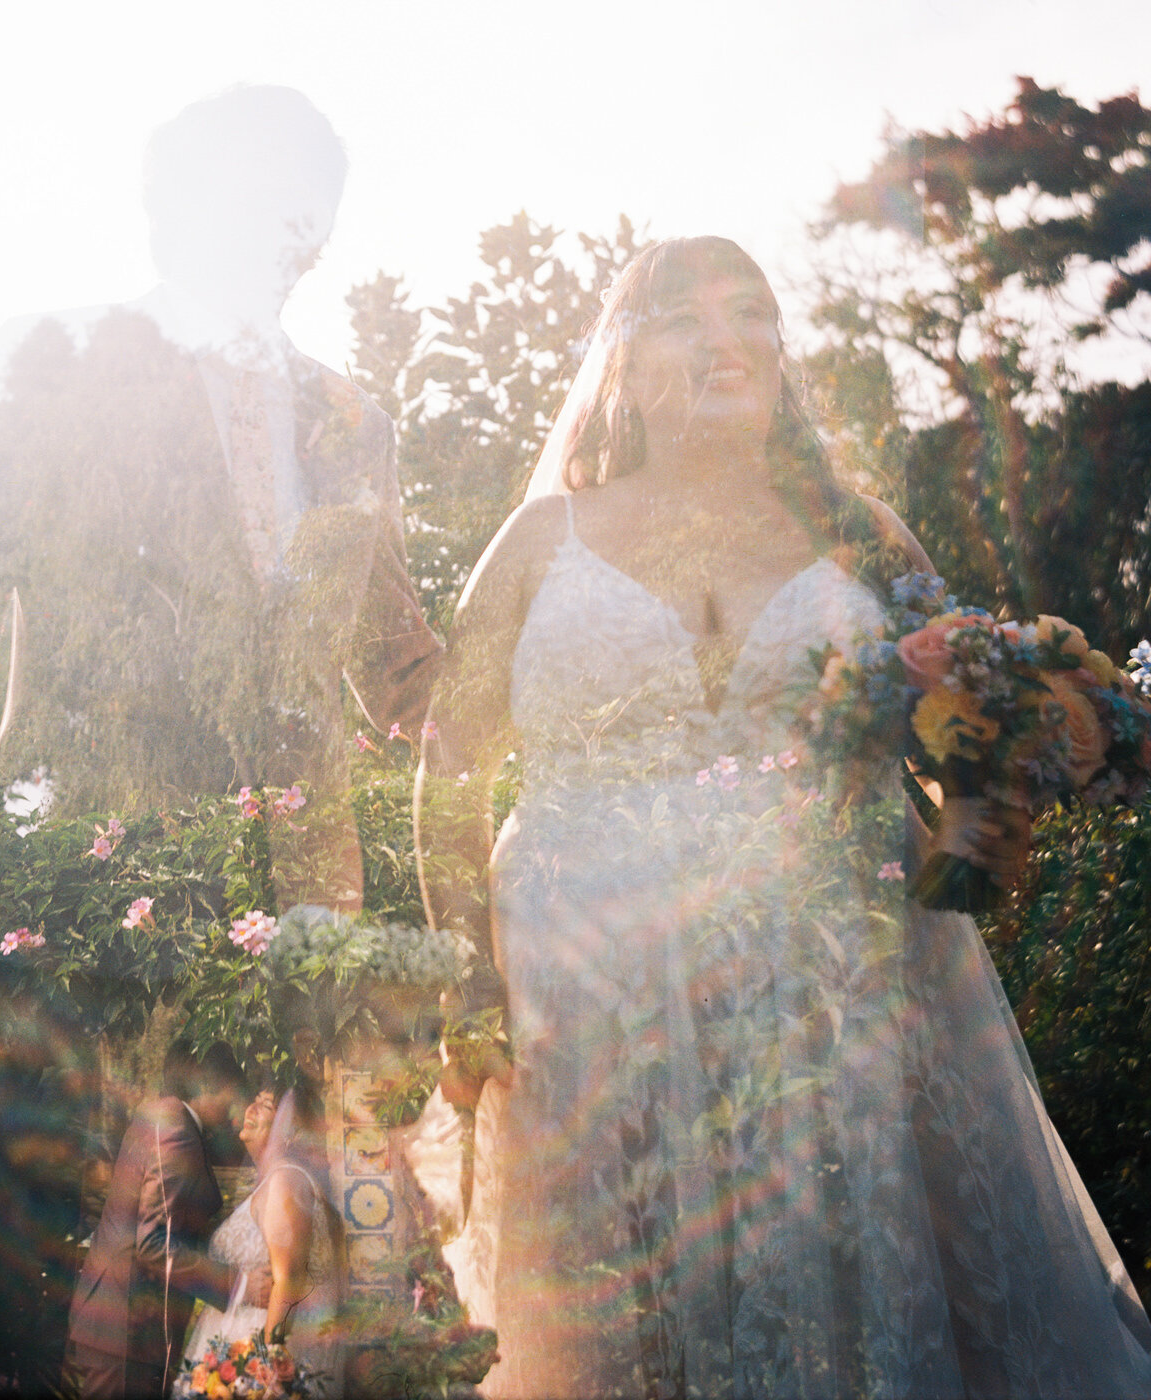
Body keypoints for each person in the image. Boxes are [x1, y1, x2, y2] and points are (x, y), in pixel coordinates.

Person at [415, 236, 1151, 1398]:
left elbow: (954, 716)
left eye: (748, 312)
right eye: (681, 318)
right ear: (623, 358)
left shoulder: (853, 532)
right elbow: (446, 763)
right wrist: (461, 976)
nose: (725, 340)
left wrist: (1032, 734)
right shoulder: (539, 540)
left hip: (838, 987)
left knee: (854, 1279)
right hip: (592, 998)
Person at [0, 83, 441, 909]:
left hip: (306, 920)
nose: (281, 225)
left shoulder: (356, 425)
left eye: (304, 205)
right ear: (172, 208)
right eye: (249, 193)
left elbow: (395, 668)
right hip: (83, 897)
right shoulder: (55, 369)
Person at [64, 1041, 270, 1398]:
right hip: (129, 1328)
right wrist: (238, 1286)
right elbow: (152, 1242)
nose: (236, 1110)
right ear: (209, 1085)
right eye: (233, 1094)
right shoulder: (176, 1128)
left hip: (119, 1323)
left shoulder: (160, 1115)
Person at [178, 1063, 344, 1396]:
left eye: (266, 1106)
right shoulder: (277, 1180)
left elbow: (288, 1280)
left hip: (254, 1362)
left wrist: (267, 1376)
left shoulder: (286, 1181)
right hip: (235, 1355)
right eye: (254, 1101)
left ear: (293, 1130)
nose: (251, 1109)